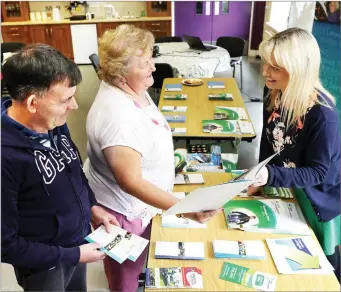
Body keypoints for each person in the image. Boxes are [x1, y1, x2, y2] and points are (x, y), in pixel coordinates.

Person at [83, 24, 220, 291]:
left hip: (142, 207)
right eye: (145, 63)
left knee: (140, 268)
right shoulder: (116, 117)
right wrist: (187, 209)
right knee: (127, 281)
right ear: (122, 72)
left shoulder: (130, 86)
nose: (154, 67)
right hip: (124, 213)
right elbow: (131, 181)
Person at [1, 44, 119, 291]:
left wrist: (92, 207)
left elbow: (74, 171)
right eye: (65, 99)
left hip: (77, 243)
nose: (74, 106)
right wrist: (73, 255)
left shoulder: (52, 121)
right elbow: (6, 244)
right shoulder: (6, 158)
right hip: (45, 264)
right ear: (33, 103)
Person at [253, 27, 340, 282]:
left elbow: (318, 172)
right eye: (266, 63)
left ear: (299, 69)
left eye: (276, 67)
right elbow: (268, 143)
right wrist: (259, 177)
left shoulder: (323, 116)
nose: (266, 72)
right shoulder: (274, 92)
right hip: (285, 189)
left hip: (317, 199)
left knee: (320, 266)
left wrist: (269, 175)